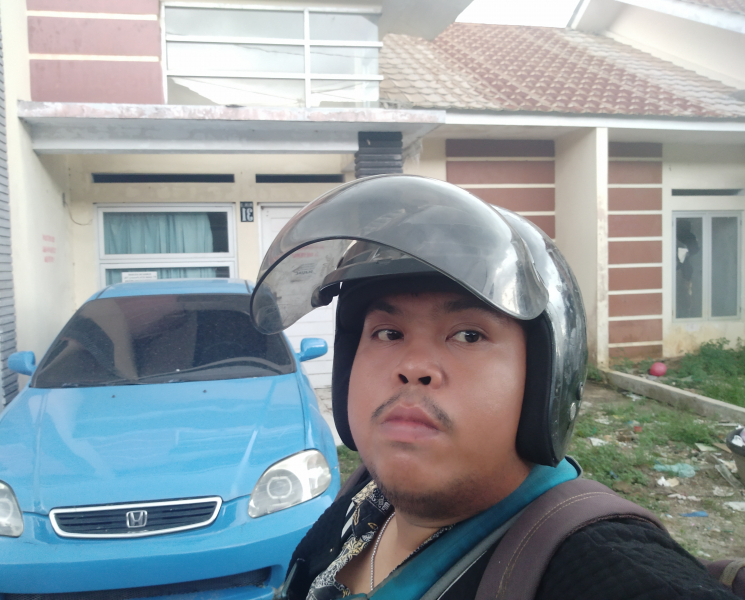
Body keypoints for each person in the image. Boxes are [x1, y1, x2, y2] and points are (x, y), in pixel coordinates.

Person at [250, 175, 738, 600]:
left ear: (543, 383)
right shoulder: (364, 499)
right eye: (388, 333)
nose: (413, 366)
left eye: (468, 335)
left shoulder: (603, 570)